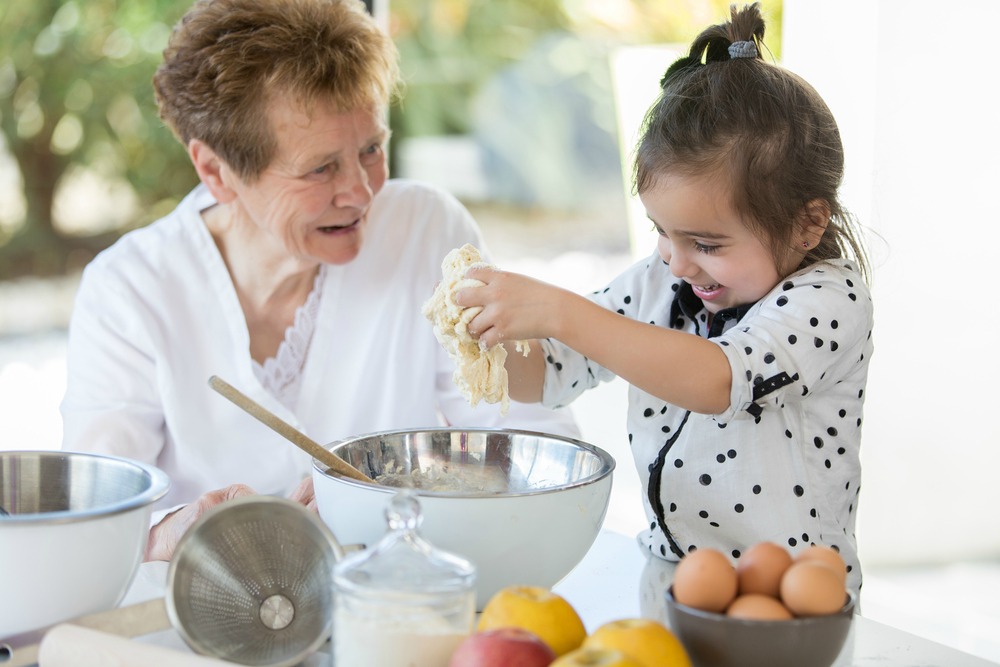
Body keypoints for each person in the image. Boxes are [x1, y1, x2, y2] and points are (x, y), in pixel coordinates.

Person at [60, 0, 578, 562]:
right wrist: (182, 530)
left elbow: (537, 452)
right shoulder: (129, 289)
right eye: (320, 168)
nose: (360, 192)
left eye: (371, 149)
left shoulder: (424, 229)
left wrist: (395, 493)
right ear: (216, 171)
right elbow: (90, 521)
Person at [457, 3, 872, 594]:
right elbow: (553, 370)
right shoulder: (665, 275)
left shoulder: (830, 299)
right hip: (669, 577)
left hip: (792, 603)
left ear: (807, 225)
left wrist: (561, 310)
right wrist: (486, 342)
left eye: (706, 242)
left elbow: (720, 381)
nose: (676, 260)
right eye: (660, 230)